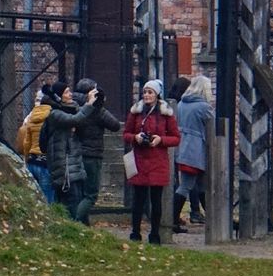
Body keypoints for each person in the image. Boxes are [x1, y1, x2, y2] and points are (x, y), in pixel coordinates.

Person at [124, 79, 179, 244]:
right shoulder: (135, 112)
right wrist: (136, 137)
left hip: (158, 161)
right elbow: (126, 134)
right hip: (140, 160)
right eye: (145, 92)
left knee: (156, 201)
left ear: (157, 94)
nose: (147, 95)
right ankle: (135, 232)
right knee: (138, 200)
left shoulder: (165, 114)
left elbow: (176, 137)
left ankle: (155, 233)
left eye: (150, 92)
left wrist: (160, 140)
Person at [42, 80, 101, 220]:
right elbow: (76, 119)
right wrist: (88, 103)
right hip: (66, 167)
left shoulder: (68, 109)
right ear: (58, 96)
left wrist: (92, 100)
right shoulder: (55, 114)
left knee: (77, 200)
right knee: (72, 205)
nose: (71, 94)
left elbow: (79, 116)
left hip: (74, 164)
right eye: (67, 92)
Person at [72, 78, 121, 226]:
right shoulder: (95, 109)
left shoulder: (73, 105)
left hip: (76, 153)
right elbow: (115, 125)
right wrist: (100, 105)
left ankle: (84, 226)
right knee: (91, 195)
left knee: (80, 194)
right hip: (92, 155)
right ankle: (74, 222)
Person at [173, 75, 212, 234]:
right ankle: (172, 219)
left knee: (200, 185)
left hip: (183, 147)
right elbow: (214, 125)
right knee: (186, 186)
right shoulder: (203, 107)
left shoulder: (182, 103)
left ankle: (210, 217)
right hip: (196, 151)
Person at [19, 86, 54, 203]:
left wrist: (26, 158)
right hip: (45, 162)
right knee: (47, 198)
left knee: (32, 198)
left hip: (32, 161)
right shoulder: (53, 116)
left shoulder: (31, 117)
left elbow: (26, 142)